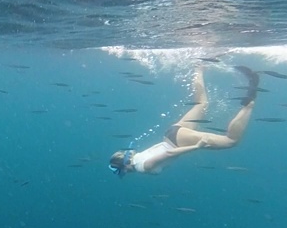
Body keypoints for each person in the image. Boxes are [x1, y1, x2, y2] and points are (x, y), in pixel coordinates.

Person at [108, 65, 259, 176]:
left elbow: (169, 154)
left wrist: (197, 147)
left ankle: (249, 102)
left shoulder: (143, 167)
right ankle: (199, 68)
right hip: (171, 133)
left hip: (178, 142)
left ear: (125, 165)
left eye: (122, 171)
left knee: (231, 140)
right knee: (202, 103)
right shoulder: (137, 157)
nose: (125, 173)